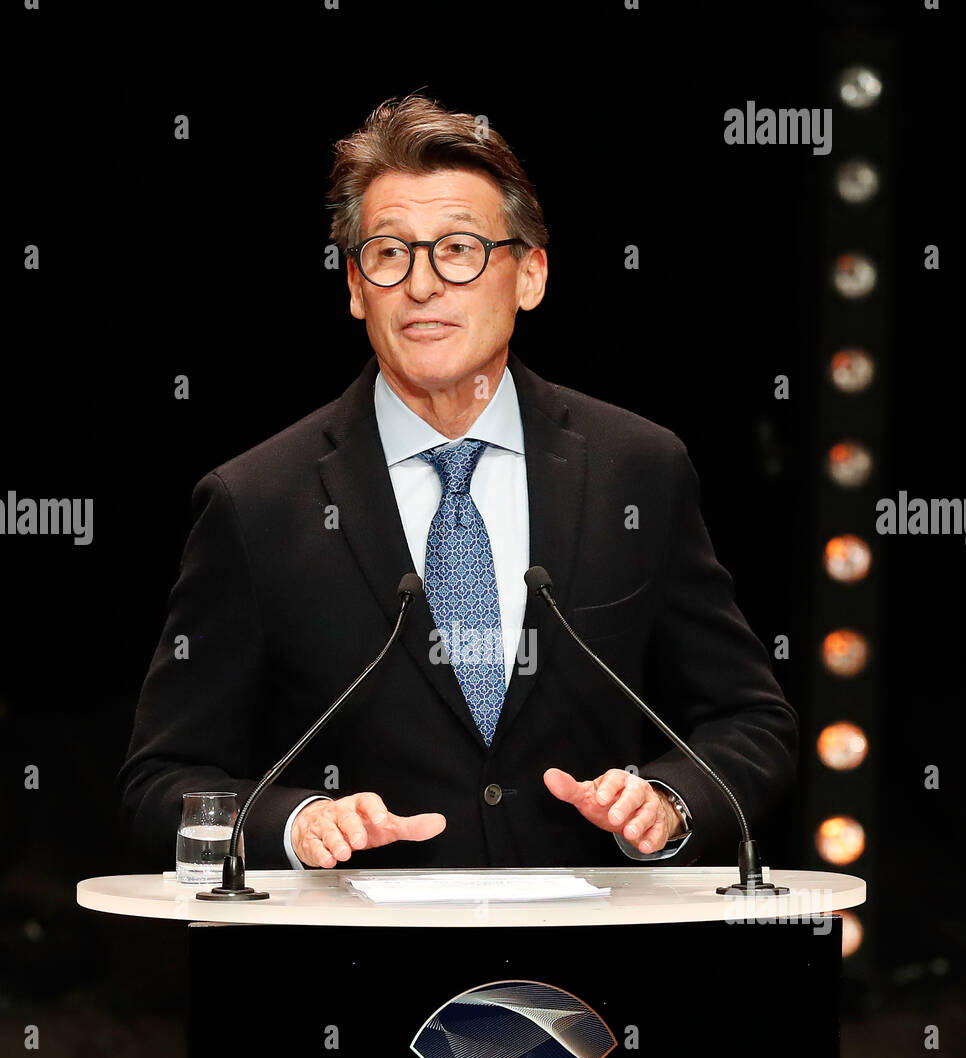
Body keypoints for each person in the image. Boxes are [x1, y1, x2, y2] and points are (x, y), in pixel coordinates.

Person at [117, 94, 798, 873]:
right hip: (350, 972)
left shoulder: (634, 469)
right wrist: (296, 824)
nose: (422, 284)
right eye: (389, 253)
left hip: (586, 968)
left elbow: (753, 723)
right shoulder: (257, 502)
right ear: (353, 286)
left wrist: (672, 801)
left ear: (530, 274)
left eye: (460, 250)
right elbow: (159, 783)